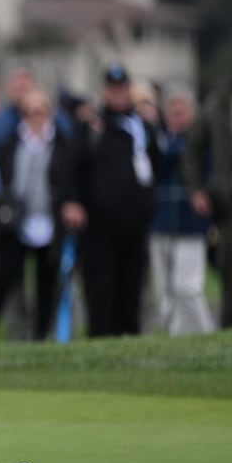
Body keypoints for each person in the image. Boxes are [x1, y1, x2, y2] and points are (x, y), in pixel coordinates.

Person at [59, 64, 158, 338]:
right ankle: (101, 338)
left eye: (123, 89)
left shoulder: (141, 127)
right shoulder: (92, 126)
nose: (119, 94)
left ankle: (129, 336)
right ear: (105, 91)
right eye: (113, 89)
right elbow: (69, 168)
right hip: (99, 224)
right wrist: (72, 201)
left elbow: (157, 166)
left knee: (132, 287)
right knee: (101, 288)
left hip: (135, 224)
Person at [0, 89, 71, 342]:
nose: (36, 117)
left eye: (40, 111)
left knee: (46, 284)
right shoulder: (12, 142)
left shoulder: (61, 143)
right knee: (4, 279)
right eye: (30, 112)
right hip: (16, 222)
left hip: (48, 222)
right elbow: (1, 178)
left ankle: (42, 335)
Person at [148, 88, 215, 335]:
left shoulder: (201, 143)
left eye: (182, 110)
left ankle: (204, 333)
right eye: (172, 110)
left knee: (187, 287)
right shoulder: (158, 139)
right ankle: (174, 337)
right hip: (161, 222)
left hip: (189, 224)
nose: (177, 115)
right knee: (165, 289)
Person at [182, 77, 232, 328]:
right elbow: (192, 149)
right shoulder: (217, 106)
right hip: (227, 206)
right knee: (229, 270)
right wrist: (196, 189)